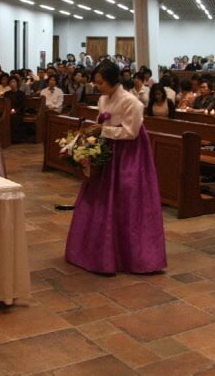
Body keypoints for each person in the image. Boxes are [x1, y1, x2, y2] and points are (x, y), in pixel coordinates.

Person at [65, 61, 166, 274]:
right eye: (96, 82)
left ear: (112, 80)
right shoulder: (103, 99)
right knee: (100, 198)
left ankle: (132, 255)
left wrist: (103, 131)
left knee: (127, 199)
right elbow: (102, 123)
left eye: (101, 82)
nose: (97, 86)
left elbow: (131, 132)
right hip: (108, 150)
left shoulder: (131, 102)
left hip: (129, 153)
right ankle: (98, 251)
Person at [4, 76, 27, 142]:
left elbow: (23, 104)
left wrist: (15, 110)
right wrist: (9, 110)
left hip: (19, 111)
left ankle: (15, 138)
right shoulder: (7, 94)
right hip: (8, 111)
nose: (12, 84)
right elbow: (4, 104)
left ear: (17, 83)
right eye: (11, 82)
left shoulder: (21, 93)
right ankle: (6, 137)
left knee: (15, 118)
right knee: (5, 117)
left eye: (14, 82)